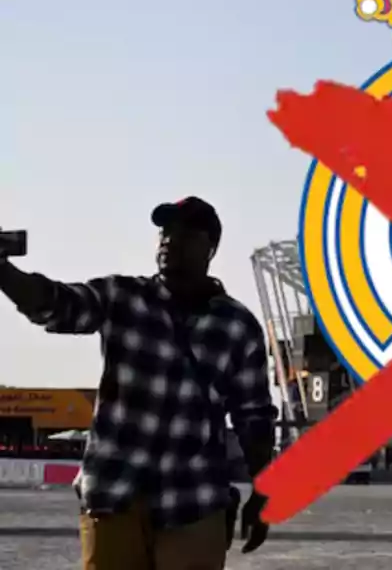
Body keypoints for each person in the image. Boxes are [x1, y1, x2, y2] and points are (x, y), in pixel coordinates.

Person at [0, 197, 278, 570]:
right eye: (164, 232)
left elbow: (254, 418)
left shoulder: (237, 327)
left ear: (210, 248)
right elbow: (53, 303)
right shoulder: (122, 298)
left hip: (193, 502)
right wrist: (3, 270)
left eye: (184, 233)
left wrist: (264, 493)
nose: (169, 241)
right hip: (115, 498)